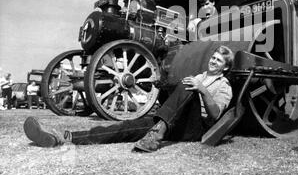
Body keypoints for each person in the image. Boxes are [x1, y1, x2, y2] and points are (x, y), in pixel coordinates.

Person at [23, 45, 234, 153]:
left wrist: (202, 90)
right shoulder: (199, 76)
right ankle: (64, 137)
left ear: (225, 66)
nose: (213, 61)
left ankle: (155, 135)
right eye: (213, 57)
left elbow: (215, 115)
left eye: (219, 60)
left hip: (196, 128)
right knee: (127, 127)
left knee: (188, 87)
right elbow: (177, 94)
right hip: (173, 122)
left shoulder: (224, 85)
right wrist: (159, 84)